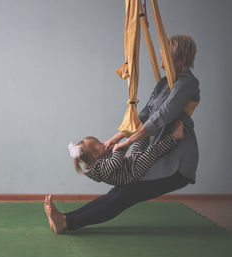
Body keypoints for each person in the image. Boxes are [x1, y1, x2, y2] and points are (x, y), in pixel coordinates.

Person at [45, 34, 200, 234]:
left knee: (125, 194)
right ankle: (66, 219)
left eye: (165, 59)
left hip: (177, 159)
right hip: (160, 152)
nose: (161, 64)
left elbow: (162, 116)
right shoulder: (165, 83)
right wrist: (117, 138)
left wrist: (128, 143)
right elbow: (143, 115)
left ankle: (67, 222)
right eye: (161, 58)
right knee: (120, 192)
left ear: (181, 60)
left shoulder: (187, 83)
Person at [68, 121, 184, 186]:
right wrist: (120, 147)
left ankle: (151, 128)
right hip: (133, 172)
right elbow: (115, 161)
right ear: (95, 155)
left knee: (140, 140)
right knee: (152, 151)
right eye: (100, 144)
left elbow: (110, 155)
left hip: (131, 162)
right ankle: (174, 137)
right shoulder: (99, 170)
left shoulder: (97, 160)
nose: (103, 143)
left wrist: (115, 142)